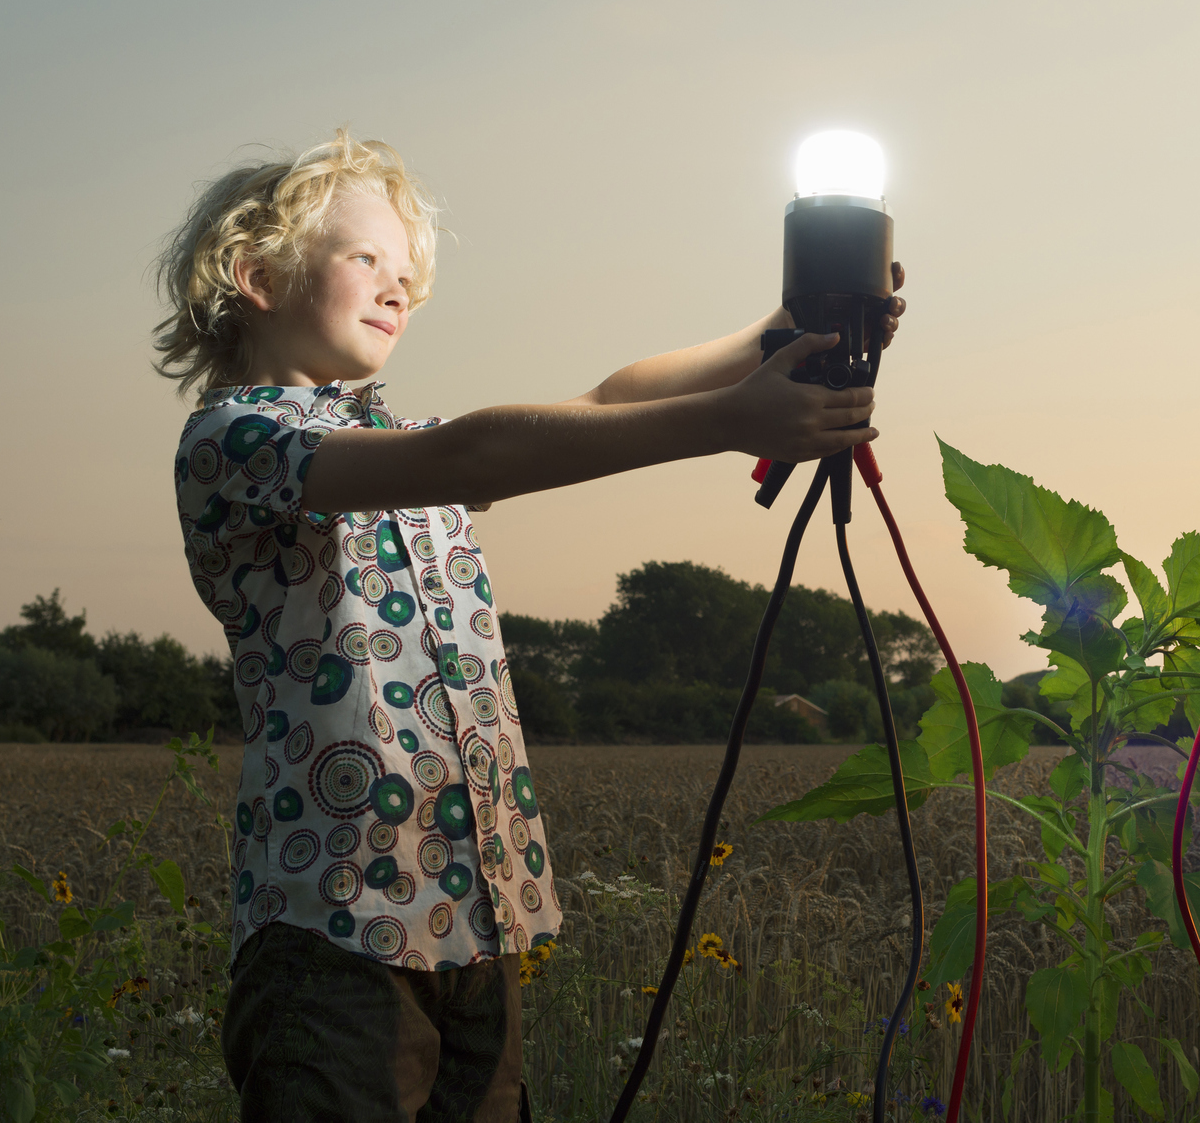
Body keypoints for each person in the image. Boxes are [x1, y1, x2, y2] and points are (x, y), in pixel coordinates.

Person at [152, 131, 902, 1122]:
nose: (398, 285)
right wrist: (729, 419)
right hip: (334, 930)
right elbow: (479, 454)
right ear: (256, 275)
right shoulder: (236, 441)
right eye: (366, 258)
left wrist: (783, 328)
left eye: (407, 272)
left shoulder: (396, 449)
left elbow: (603, 402)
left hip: (475, 921)